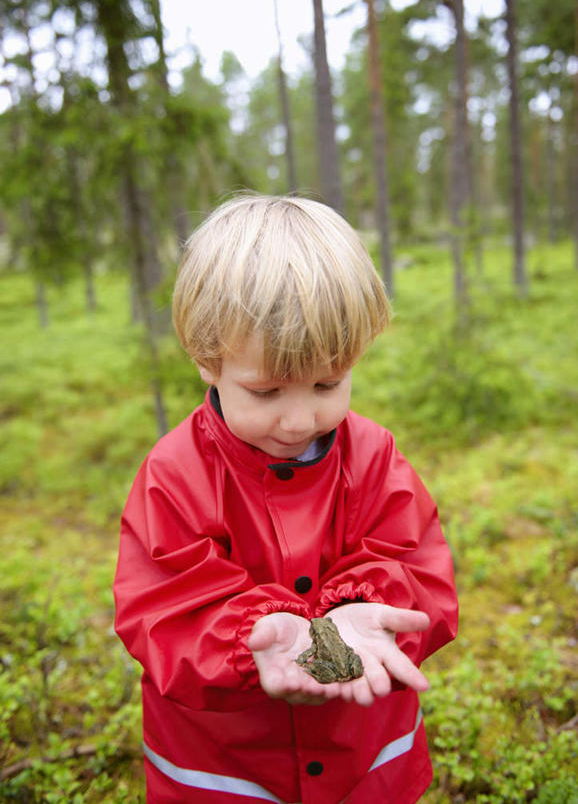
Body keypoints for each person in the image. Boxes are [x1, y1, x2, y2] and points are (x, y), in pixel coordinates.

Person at [113, 194, 458, 804]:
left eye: (327, 383)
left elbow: (414, 564)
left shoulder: (374, 457)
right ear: (206, 361)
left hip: (359, 754)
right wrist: (250, 639)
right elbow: (161, 609)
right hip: (225, 764)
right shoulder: (175, 475)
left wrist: (366, 605)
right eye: (267, 390)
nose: (300, 419)